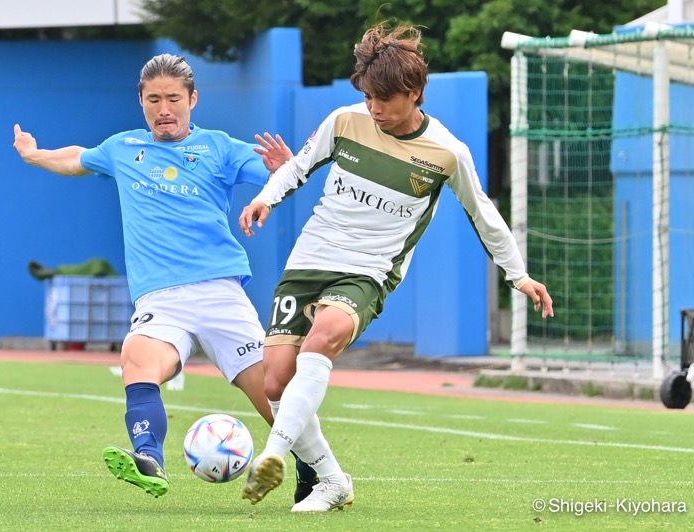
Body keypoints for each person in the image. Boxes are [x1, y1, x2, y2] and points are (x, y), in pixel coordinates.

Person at [238, 23, 555, 512]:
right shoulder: (345, 120)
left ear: (415, 93)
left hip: (369, 270)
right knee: (275, 381)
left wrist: (518, 274)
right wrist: (266, 198)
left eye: (384, 101)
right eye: (368, 99)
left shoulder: (447, 154)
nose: (374, 109)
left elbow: (483, 212)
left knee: (323, 336)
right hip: (309, 259)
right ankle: (332, 481)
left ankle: (272, 457)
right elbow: (299, 165)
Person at [12, 53, 318, 501]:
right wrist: (35, 154)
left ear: (192, 99)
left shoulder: (220, 147)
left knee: (273, 394)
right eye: (153, 99)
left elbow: (282, 177)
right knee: (136, 358)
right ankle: (149, 457)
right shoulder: (122, 148)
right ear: (141, 102)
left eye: (173, 98)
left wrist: (287, 166)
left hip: (220, 292)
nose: (164, 109)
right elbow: (78, 157)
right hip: (161, 299)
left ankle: (312, 469)